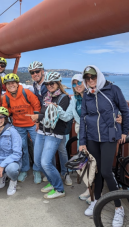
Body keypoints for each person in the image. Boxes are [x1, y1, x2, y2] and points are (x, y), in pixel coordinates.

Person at [79, 65, 129, 226]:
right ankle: (97, 201)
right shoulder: (87, 94)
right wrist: (82, 142)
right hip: (92, 137)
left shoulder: (113, 90)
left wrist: (125, 132)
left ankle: (118, 208)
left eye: (93, 77)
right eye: (87, 78)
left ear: (98, 76)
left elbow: (124, 110)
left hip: (109, 136)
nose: (90, 81)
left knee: (107, 171)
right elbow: (83, 118)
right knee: (96, 171)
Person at [27, 72, 70, 199]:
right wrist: (38, 120)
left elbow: (56, 116)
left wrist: (38, 117)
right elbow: (43, 112)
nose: (49, 86)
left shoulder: (64, 98)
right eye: (47, 84)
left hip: (54, 133)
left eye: (52, 83)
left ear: (58, 84)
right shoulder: (47, 96)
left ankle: (59, 189)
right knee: (38, 161)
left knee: (46, 162)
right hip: (42, 131)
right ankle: (53, 182)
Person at [2, 73, 42, 183]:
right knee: (22, 147)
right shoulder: (6, 97)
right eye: (8, 84)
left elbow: (36, 105)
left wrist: (37, 120)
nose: (11, 85)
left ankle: (37, 169)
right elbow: (7, 111)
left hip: (32, 124)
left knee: (37, 146)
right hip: (18, 126)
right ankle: (24, 169)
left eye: (13, 83)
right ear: (6, 85)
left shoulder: (26, 92)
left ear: (17, 83)